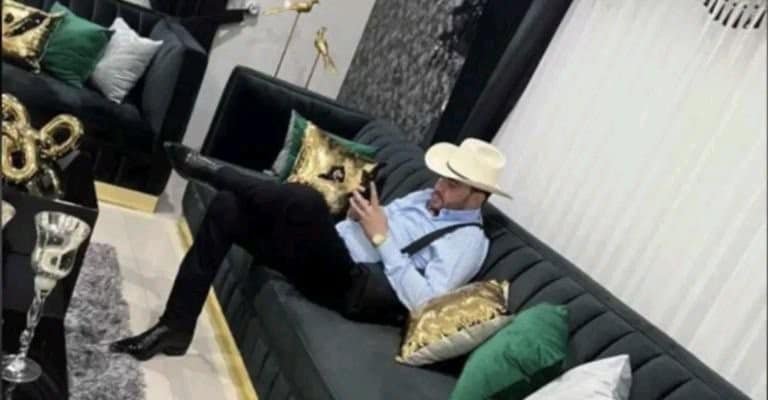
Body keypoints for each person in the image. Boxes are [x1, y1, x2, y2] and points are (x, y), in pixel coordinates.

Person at [110, 138, 511, 361]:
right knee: (227, 208)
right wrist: (358, 216)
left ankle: (215, 171)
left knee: (306, 202)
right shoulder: (425, 197)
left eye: (452, 184)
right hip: (327, 254)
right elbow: (374, 223)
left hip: (350, 286)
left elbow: (425, 303)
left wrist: (382, 238)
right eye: (441, 177)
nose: (439, 187)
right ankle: (176, 327)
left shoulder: (467, 242)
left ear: (478, 195)